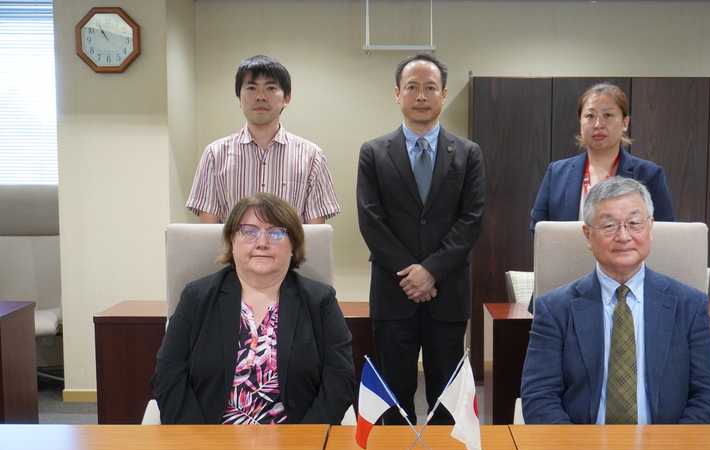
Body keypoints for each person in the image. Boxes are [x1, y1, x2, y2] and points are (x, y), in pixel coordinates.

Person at [520, 176, 710, 424]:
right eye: (609, 225)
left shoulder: (689, 304)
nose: (623, 236)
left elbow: (708, 396)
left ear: (650, 229)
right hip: (581, 442)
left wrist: (673, 446)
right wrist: (576, 447)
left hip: (667, 443)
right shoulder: (554, 308)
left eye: (634, 223)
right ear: (588, 235)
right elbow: (539, 397)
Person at [356, 53, 486, 425]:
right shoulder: (374, 152)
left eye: (430, 87)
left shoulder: (468, 153)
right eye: (412, 87)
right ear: (397, 94)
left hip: (447, 293)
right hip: (392, 291)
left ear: (443, 95)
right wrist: (411, 273)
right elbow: (370, 220)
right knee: (393, 399)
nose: (421, 95)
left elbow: (472, 219)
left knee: (447, 400)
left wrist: (430, 271)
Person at [151, 193, 356, 424]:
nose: (262, 243)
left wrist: (306, 439)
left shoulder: (320, 301)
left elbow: (340, 378)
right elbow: (168, 375)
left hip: (297, 439)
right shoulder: (197, 297)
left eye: (276, 233)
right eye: (249, 232)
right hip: (208, 437)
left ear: (292, 245)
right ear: (232, 240)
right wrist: (199, 439)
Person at [186, 55, 340, 224]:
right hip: (233, 244)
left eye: (270, 88)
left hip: (289, 244)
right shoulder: (215, 155)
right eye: (251, 88)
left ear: (287, 99)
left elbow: (315, 233)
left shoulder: (312, 156)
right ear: (239, 98)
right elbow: (209, 231)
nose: (260, 96)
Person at [530, 83, 675, 236]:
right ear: (580, 123)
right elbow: (538, 229)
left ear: (625, 123)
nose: (598, 125)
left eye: (608, 115)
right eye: (590, 116)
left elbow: (664, 232)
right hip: (569, 252)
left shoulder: (649, 174)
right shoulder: (557, 172)